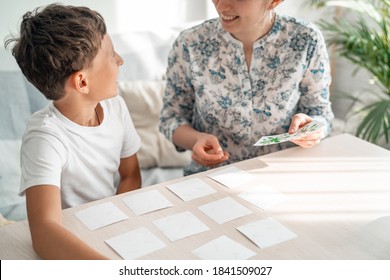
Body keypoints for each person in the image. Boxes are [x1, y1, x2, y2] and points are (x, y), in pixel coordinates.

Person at [4, 4, 141, 259]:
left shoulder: (116, 107)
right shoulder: (45, 137)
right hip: (69, 242)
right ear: (82, 82)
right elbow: (45, 233)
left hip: (109, 229)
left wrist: (117, 225)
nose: (120, 60)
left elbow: (131, 175)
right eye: (112, 55)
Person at [160, 0, 334, 175]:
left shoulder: (306, 39)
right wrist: (195, 140)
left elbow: (321, 113)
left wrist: (312, 128)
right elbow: (171, 118)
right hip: (213, 177)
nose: (221, 7)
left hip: (283, 175)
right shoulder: (189, 43)